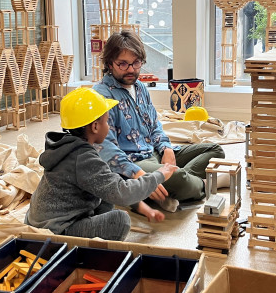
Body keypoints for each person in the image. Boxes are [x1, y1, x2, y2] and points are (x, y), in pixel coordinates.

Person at [93, 31, 225, 211]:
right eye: (122, 64)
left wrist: (167, 148)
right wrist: (137, 173)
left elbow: (154, 125)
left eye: (136, 63)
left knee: (215, 151)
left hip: (153, 152)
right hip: (133, 162)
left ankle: (157, 191)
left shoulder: (140, 88)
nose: (131, 69)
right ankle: (202, 184)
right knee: (179, 179)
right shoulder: (101, 95)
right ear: (109, 64)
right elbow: (104, 148)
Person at [24, 87, 177, 241]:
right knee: (120, 221)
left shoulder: (68, 147)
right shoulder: (83, 159)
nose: (109, 127)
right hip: (57, 231)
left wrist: (144, 208)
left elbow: (110, 184)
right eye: (107, 122)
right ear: (95, 127)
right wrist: (159, 175)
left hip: (43, 220)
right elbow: (122, 193)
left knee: (107, 191)